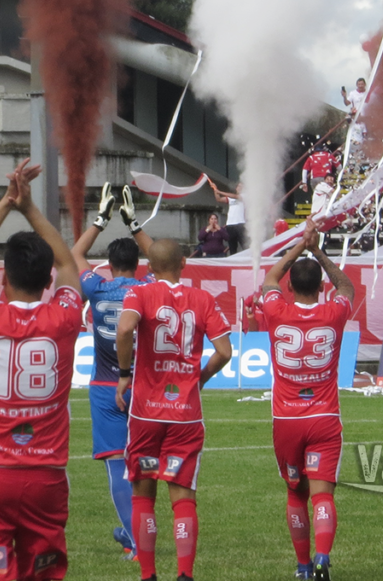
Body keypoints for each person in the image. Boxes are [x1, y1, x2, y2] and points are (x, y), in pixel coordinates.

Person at [0, 159, 82, 581]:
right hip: (46, 479)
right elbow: (69, 266)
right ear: (48, 282)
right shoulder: (64, 319)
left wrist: (8, 202)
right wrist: (30, 209)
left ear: (2, 278)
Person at [115, 240, 233, 581]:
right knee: (182, 498)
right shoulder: (203, 299)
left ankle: (148, 575)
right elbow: (224, 351)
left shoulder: (140, 293)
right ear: (184, 262)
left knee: (143, 494)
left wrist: (125, 374)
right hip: (185, 414)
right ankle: (184, 574)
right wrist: (200, 378)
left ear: (148, 267)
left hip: (146, 414)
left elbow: (124, 329)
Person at [261, 220, 356, 581]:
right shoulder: (333, 313)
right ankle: (321, 558)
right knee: (322, 495)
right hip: (324, 417)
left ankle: (302, 568)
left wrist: (300, 246)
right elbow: (345, 285)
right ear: (320, 287)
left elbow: (270, 277)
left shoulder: (275, 310)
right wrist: (317, 250)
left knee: (294, 493)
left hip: (286, 420)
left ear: (289, 287)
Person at [70, 183, 155, 561]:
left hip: (106, 386)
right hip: (145, 385)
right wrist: (134, 222)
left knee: (117, 463)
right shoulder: (149, 287)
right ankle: (136, 529)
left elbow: (74, 253)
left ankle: (136, 541)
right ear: (138, 264)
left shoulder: (97, 288)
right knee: (146, 464)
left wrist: (100, 220)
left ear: (110, 262)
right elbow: (165, 260)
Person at [211, 181, 246, 254]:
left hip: (240, 224)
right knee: (232, 247)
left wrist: (219, 191)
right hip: (230, 225)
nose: (240, 188)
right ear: (236, 188)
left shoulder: (244, 196)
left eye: (241, 187)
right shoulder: (230, 199)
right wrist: (215, 189)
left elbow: (236, 196)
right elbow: (219, 199)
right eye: (238, 186)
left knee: (244, 246)